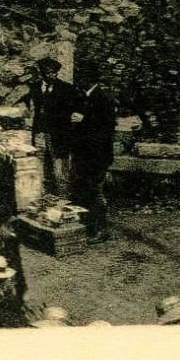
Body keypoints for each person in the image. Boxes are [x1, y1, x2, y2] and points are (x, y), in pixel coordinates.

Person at [69, 59, 117, 242]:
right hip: (84, 154)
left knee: (95, 191)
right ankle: (90, 227)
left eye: (82, 77)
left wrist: (84, 121)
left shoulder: (103, 98)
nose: (79, 80)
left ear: (90, 78)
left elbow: (106, 129)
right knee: (84, 190)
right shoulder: (84, 96)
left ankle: (100, 229)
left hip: (97, 155)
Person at [28, 57, 76, 197]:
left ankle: (63, 198)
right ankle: (41, 197)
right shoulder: (35, 88)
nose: (52, 75)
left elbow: (71, 112)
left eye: (54, 72)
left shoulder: (66, 88)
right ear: (42, 73)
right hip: (40, 133)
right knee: (39, 165)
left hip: (58, 135)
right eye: (48, 72)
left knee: (59, 168)